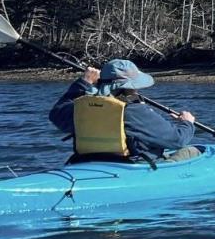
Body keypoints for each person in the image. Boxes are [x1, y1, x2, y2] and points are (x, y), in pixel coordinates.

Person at [49, 58, 199, 164]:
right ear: (130, 86)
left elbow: (56, 114)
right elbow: (177, 139)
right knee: (193, 151)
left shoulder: (83, 107)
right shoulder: (133, 111)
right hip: (131, 165)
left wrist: (83, 83)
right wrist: (187, 123)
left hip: (88, 161)